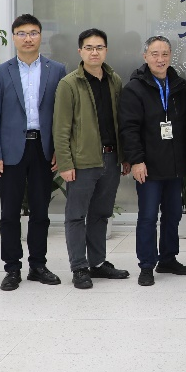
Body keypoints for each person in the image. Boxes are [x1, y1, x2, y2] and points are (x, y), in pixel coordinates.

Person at [0, 14, 67, 291]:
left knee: (41, 211)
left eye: (33, 32)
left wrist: (60, 150)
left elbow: (63, 116)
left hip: (43, 148)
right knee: (9, 212)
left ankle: (38, 265)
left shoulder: (57, 70)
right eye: (22, 33)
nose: (28, 38)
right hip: (10, 151)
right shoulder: (0, 72)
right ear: (14, 37)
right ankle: (12, 268)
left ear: (41, 36)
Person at [52, 28, 130, 290]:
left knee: (101, 214)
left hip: (111, 158)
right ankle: (79, 267)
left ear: (106, 50)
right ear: (80, 51)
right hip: (82, 162)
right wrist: (65, 163)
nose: (94, 52)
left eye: (99, 47)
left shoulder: (114, 80)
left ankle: (97, 263)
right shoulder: (69, 84)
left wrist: (124, 156)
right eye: (89, 48)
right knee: (76, 216)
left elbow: (120, 122)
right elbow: (61, 128)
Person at [120, 35, 186, 286]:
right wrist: (136, 161)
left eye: (164, 54)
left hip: (175, 164)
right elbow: (129, 129)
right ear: (145, 57)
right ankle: (146, 265)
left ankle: (168, 259)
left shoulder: (180, 86)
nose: (160, 59)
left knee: (173, 214)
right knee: (148, 217)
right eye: (154, 54)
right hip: (148, 166)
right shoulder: (134, 89)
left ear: (170, 56)